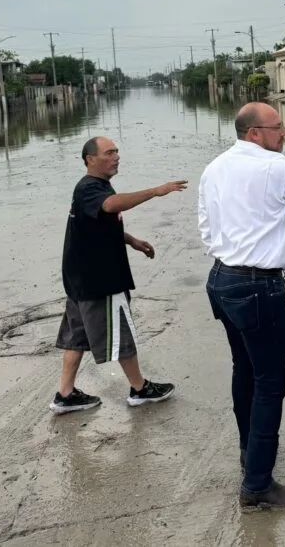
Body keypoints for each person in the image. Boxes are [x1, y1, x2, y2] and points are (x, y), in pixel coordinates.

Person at [198, 103, 285, 512]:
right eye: (277, 127)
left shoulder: (214, 168)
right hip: (258, 285)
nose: (284, 133)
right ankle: (257, 485)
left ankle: (249, 452)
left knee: (245, 369)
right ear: (254, 133)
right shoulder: (276, 167)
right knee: (270, 381)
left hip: (221, 279)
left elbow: (206, 226)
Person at [51, 136, 188, 414]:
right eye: (109, 153)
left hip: (80, 280)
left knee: (76, 337)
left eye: (116, 152)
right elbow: (111, 205)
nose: (116, 157)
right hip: (99, 280)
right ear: (90, 159)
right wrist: (156, 191)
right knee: (120, 331)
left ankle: (64, 394)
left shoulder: (95, 187)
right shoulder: (90, 187)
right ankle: (140, 389)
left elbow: (97, 224)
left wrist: (131, 240)